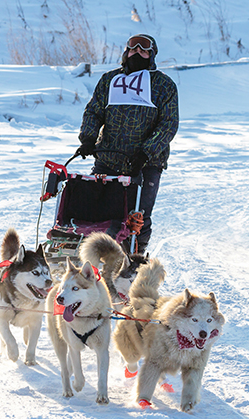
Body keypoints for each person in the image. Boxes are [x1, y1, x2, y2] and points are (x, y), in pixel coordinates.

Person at [77, 34, 179, 255]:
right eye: (133, 49)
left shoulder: (163, 85)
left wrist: (146, 152)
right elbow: (94, 112)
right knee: (97, 213)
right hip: (108, 159)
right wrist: (88, 139)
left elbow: (168, 124)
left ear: (151, 55)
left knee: (138, 217)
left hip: (145, 164)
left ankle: (135, 257)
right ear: (126, 52)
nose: (137, 54)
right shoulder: (109, 80)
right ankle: (96, 256)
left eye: (143, 51)